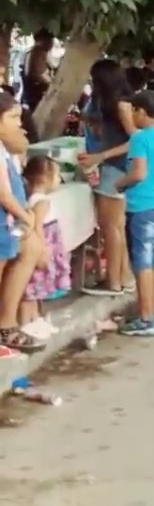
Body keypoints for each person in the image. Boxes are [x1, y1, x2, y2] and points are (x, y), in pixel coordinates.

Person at [114, 91, 154, 337]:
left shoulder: (141, 139)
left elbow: (138, 173)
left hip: (142, 205)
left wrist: (119, 184)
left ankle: (145, 318)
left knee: (141, 264)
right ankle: (153, 313)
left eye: (133, 111)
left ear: (141, 111)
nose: (131, 116)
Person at [77, 59, 137, 297]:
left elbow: (135, 140)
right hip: (105, 165)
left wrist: (101, 156)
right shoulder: (102, 101)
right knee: (116, 227)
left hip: (114, 167)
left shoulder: (121, 105)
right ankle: (122, 277)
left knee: (110, 226)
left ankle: (113, 281)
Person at [0, 93, 44, 354]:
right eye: (13, 117)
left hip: (9, 223)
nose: (20, 123)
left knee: (30, 251)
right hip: (6, 221)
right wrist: (26, 216)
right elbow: (3, 193)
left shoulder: (7, 149)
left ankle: (6, 325)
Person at [15, 156, 70, 342]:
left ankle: (34, 321)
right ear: (45, 178)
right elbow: (37, 226)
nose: (59, 179)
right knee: (31, 290)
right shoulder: (42, 201)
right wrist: (42, 249)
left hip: (41, 245)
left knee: (34, 290)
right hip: (42, 245)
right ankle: (26, 324)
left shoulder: (32, 198)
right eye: (57, 175)